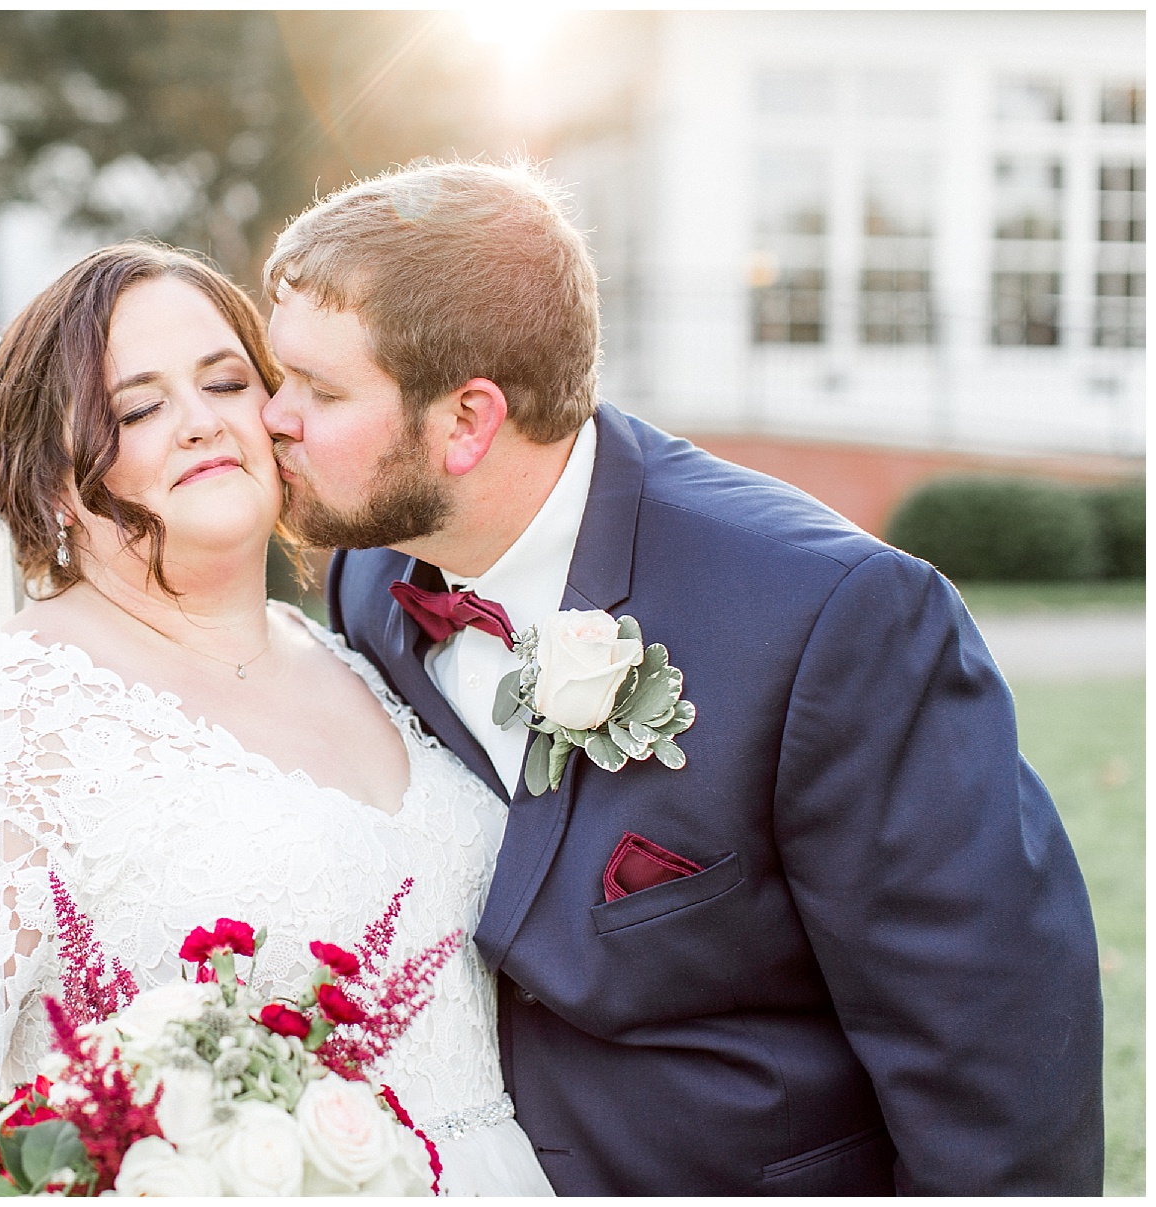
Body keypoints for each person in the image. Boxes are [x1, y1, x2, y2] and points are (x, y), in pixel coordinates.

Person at [260, 159, 1105, 1194]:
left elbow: (994, 1061)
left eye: (320, 390)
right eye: (276, 374)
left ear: (468, 420)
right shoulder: (368, 575)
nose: (271, 416)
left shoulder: (831, 617)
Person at [0, 243, 555, 1195]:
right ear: (49, 486)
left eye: (226, 381)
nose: (200, 422)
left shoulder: (359, 654)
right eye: (139, 407)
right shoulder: (2, 726)